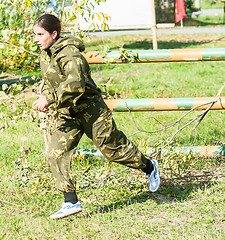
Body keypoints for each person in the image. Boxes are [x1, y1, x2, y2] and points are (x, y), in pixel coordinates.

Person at [32, 13, 160, 220]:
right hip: (68, 113)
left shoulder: (71, 55)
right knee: (55, 152)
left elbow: (76, 85)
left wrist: (50, 100)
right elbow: (50, 83)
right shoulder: (45, 54)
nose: (36, 39)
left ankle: (149, 166)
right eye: (35, 34)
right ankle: (70, 201)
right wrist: (47, 96)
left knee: (114, 151)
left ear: (54, 34)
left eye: (40, 34)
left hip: (91, 111)